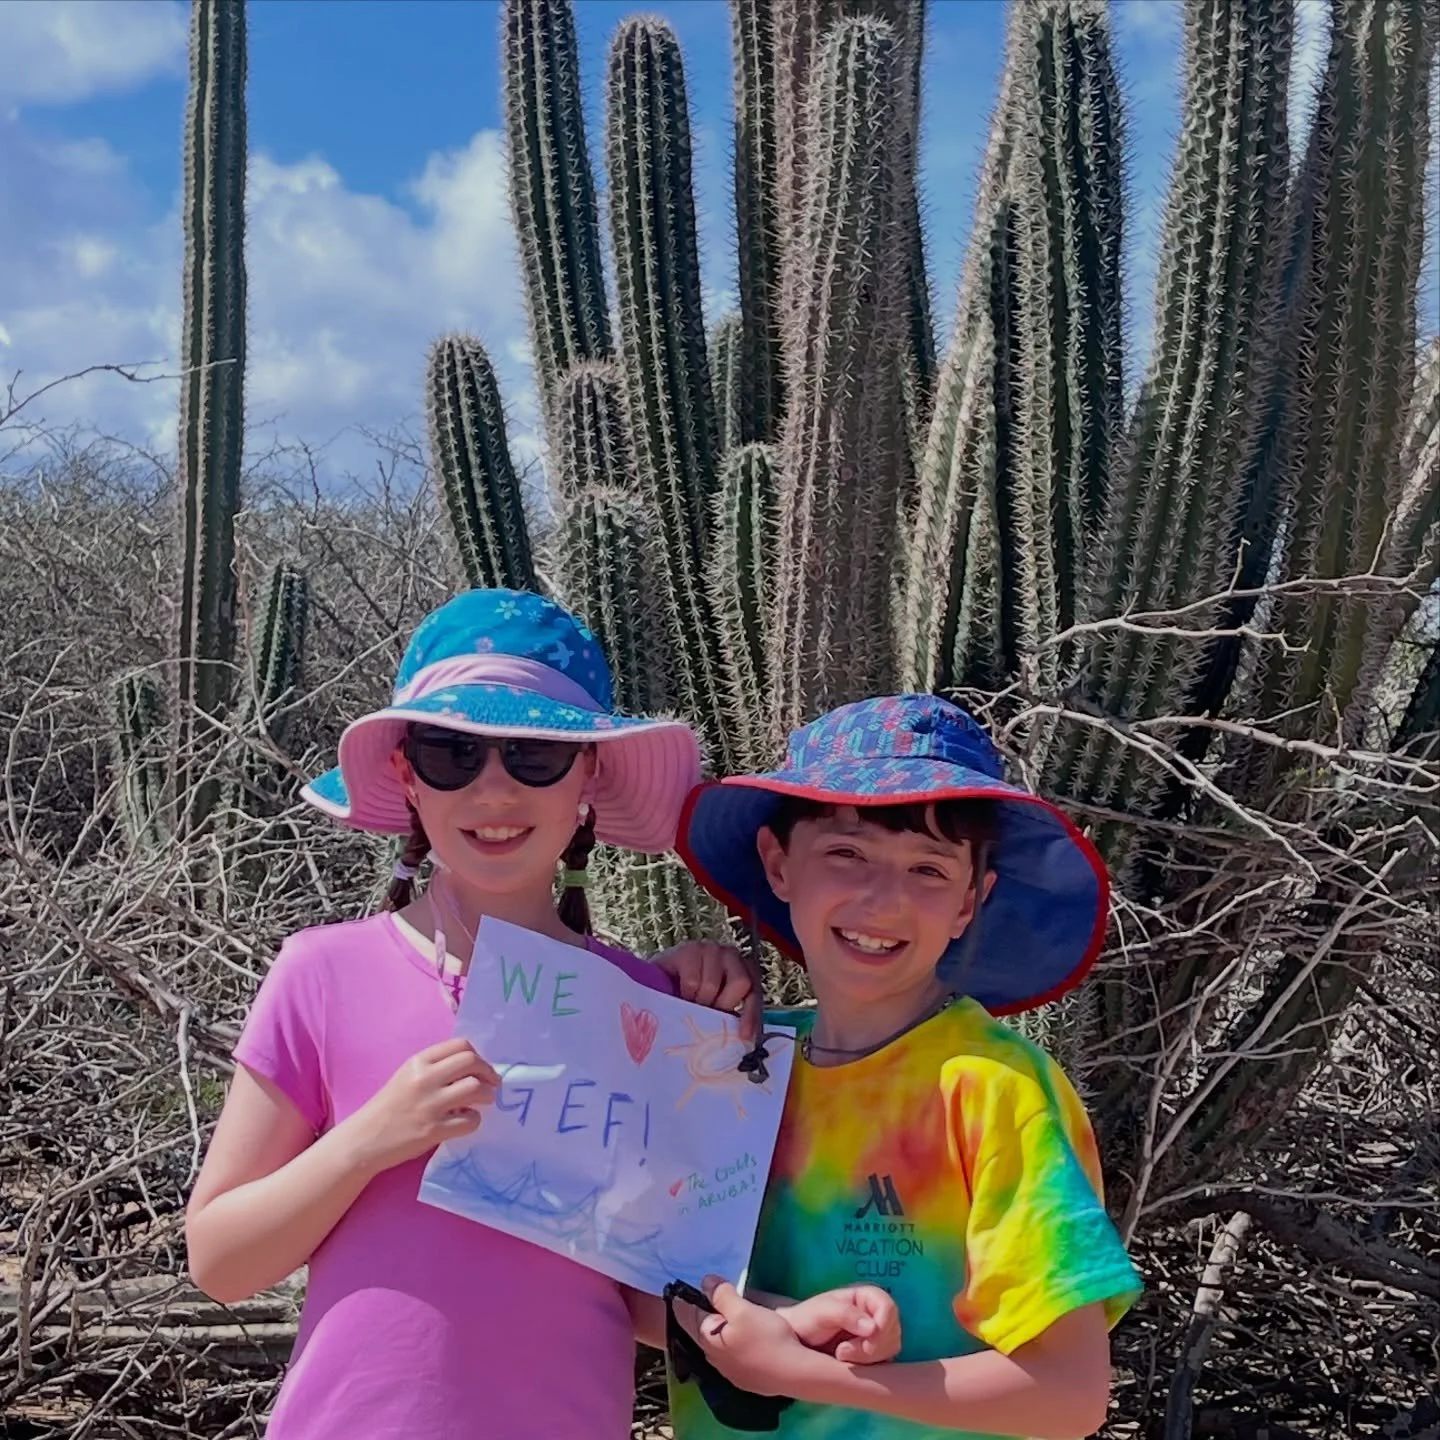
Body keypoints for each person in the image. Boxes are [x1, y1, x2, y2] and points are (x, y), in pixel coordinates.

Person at [186, 589, 809, 1439]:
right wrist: (372, 1139)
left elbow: (638, 1289)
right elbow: (221, 1262)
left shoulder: (650, 1008)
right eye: (452, 753)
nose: (493, 788)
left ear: (589, 775)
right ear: (407, 774)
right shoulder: (322, 974)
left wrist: (783, 1326)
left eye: (535, 755)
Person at [668, 694, 1145, 1439]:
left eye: (928, 868)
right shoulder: (728, 1059)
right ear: (778, 862)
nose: (883, 900)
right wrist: (656, 991)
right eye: (846, 854)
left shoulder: (995, 1090)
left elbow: (1070, 1393)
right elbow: (630, 1281)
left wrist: (806, 1372)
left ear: (968, 902)